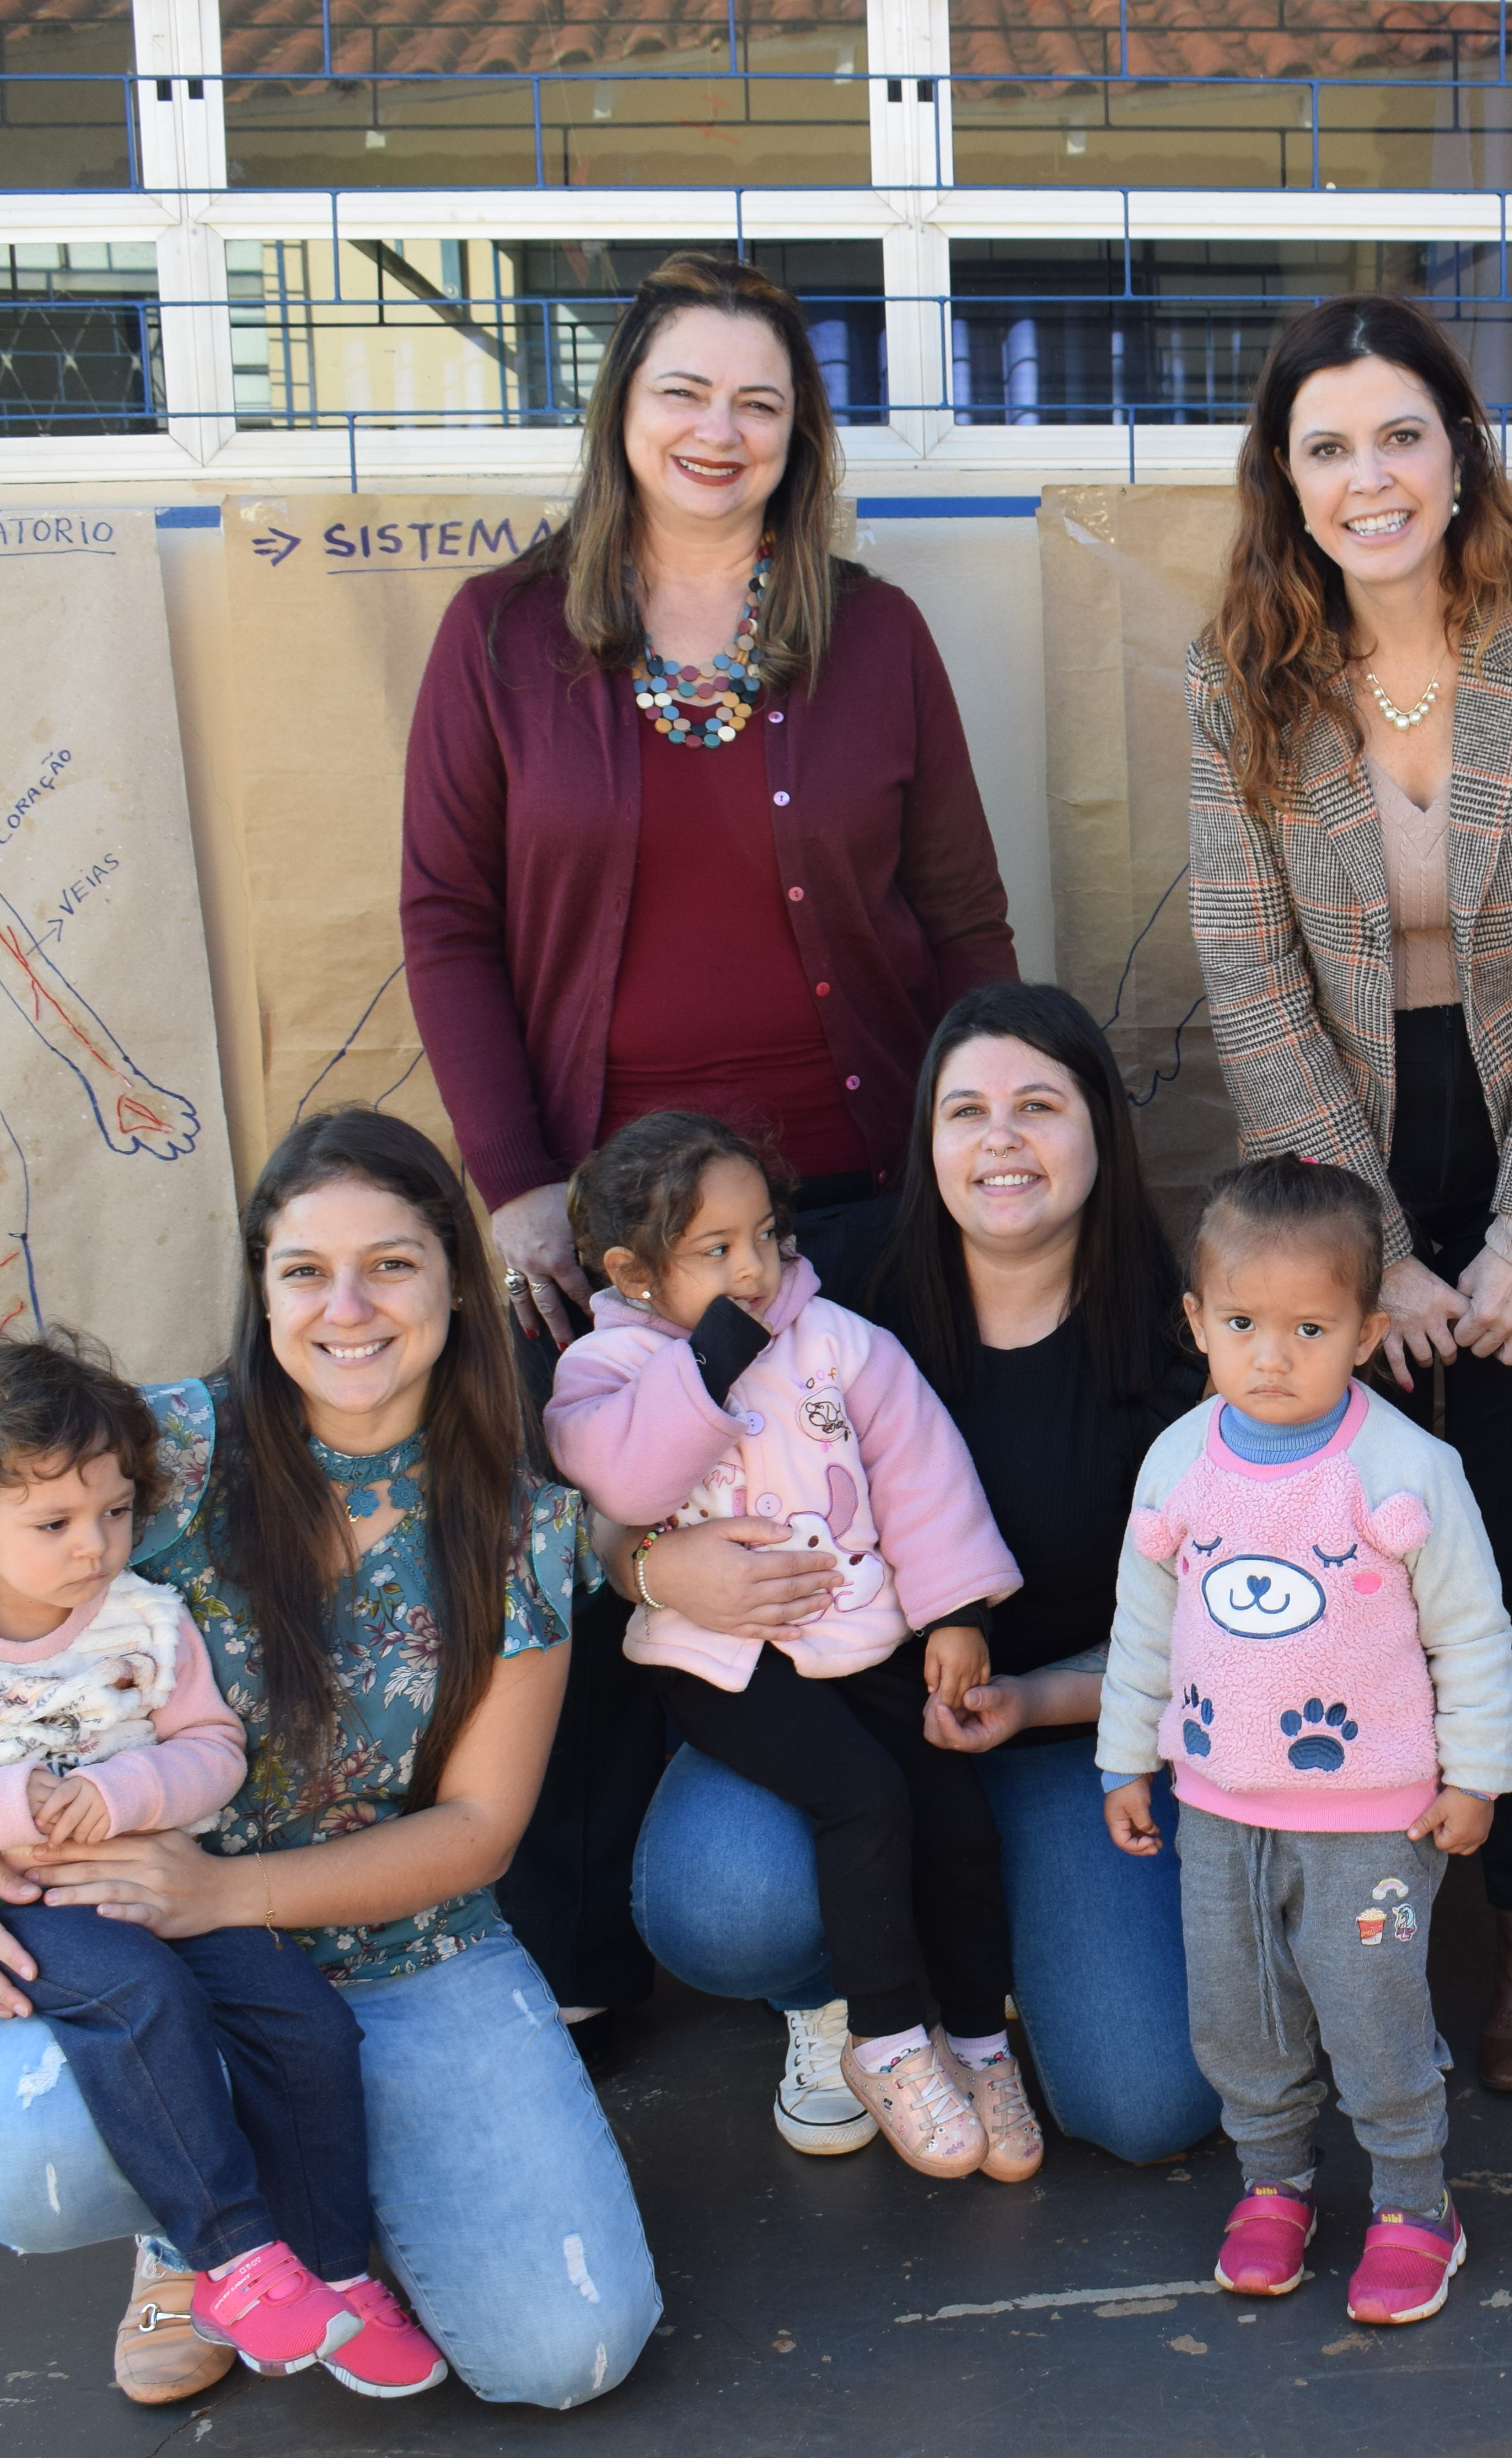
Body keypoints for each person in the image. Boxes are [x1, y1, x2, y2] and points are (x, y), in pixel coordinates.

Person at [401, 249, 1017, 2021]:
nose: (718, 429)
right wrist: (519, 1186)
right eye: (683, 390)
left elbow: (963, 918)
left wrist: (972, 1166)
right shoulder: (504, 637)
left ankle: (877, 1965)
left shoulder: (873, 637)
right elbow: (447, 917)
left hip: (850, 1206)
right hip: (610, 1232)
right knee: (603, 1575)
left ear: (801, 435)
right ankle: (581, 1967)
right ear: (623, 413)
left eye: (760, 400)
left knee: (849, 1571)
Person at [0, 1108, 657, 2411]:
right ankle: (198, 2224)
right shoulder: (155, 1454)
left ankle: (325, 2199)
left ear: (459, 1280)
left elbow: (479, 1830)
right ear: (263, 1288)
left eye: (391, 1264)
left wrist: (229, 1892)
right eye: (306, 1271)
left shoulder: (518, 1518)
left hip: (406, 1947)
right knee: (32, 2165)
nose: (347, 1308)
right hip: (149, 1947)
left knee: (565, 2354)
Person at [1185, 289, 1512, 2091]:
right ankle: (1368, 1902)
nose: (1368, 477)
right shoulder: (1243, 679)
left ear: (1460, 454)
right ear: (1286, 480)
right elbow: (1251, 983)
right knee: (1350, 1536)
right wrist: (1375, 1253)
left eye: (1400, 435)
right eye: (1328, 448)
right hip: (1337, 1168)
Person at [616, 981, 1220, 2167]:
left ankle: (987, 1975)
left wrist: (1038, 1700)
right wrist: (651, 1567)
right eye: (966, 1111)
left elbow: (1214, 1630)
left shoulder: (1181, 1339)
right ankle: (847, 2001)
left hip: (1064, 1727)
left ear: (1103, 1127)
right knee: (724, 1904)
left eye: (1038, 1105)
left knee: (1150, 2109)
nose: (1000, 1139)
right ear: (926, 1138)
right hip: (835, 1701)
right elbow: (618, 1448)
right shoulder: (817, 1281)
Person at [0, 1334, 447, 2400]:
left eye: (113, 1513)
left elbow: (211, 1751)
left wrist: (121, 1795)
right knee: (143, 1997)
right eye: (53, 1523)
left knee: (306, 2021)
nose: (95, 1546)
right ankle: (232, 2259)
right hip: (33, 1903)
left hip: (158, 1881)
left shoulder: (146, 1621)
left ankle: (334, 2272)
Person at [543, 1112, 1030, 2178]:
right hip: (722, 1663)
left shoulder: (839, 1340)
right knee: (863, 1797)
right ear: (632, 1273)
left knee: (952, 1810)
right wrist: (715, 1351)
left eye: (765, 1235)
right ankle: (886, 2039)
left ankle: (978, 2044)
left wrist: (956, 1613)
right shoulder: (602, 1370)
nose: (756, 1270)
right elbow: (628, 1481)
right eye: (715, 1250)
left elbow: (922, 1471)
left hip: (863, 1633)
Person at [1099, 1156, 1512, 2328]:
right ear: (1197, 1322)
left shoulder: (1407, 1470)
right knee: (1243, 2016)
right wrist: (1125, 1756)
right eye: (1242, 1324)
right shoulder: (1178, 1464)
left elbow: (1473, 1634)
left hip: (1373, 1820)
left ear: (1368, 1334)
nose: (1272, 1357)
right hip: (1219, 1807)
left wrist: (1479, 1775)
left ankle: (1414, 2202)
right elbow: (1145, 1627)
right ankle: (1274, 2185)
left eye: (1310, 1329)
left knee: (1373, 2014)